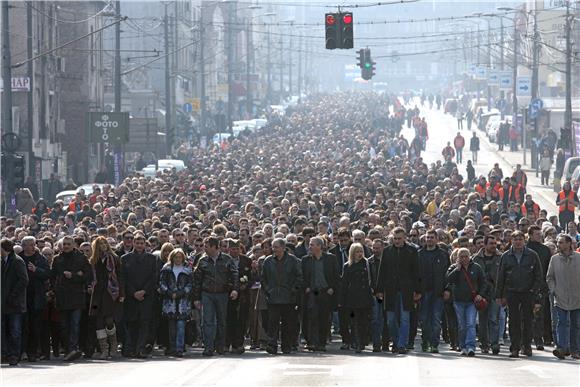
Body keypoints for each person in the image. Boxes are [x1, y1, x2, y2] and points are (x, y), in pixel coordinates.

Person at [496, 231, 543, 357]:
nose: (518, 242)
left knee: (528, 320)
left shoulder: (532, 255)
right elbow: (501, 277)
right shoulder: (506, 256)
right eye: (515, 239)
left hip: (528, 292)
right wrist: (499, 295)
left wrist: (534, 291)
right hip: (512, 292)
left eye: (520, 239)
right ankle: (515, 347)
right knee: (513, 321)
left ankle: (526, 346)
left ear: (524, 240)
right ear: (511, 241)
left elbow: (538, 276)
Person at [376, 227, 421, 354]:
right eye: (394, 239)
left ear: (404, 238)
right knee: (391, 320)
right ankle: (396, 342)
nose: (396, 241)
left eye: (399, 238)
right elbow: (382, 271)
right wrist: (379, 289)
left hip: (407, 290)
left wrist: (417, 290)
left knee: (405, 318)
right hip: (390, 290)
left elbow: (416, 271)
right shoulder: (387, 251)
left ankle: (402, 344)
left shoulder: (412, 251)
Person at [193, 236, 239, 356]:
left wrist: (235, 289)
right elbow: (197, 280)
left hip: (222, 294)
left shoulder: (227, 259)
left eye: (207, 246)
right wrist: (196, 298)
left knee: (222, 320)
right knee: (207, 321)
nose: (205, 249)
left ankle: (220, 346)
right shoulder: (202, 260)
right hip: (207, 293)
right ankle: (208, 347)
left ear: (214, 247)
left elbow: (234, 275)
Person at [52, 235, 92, 362]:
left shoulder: (81, 258)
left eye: (69, 244)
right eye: (64, 244)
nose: (66, 246)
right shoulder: (57, 259)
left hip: (77, 297)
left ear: (74, 245)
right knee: (64, 326)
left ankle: (73, 348)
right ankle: (68, 349)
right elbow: (53, 276)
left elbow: (88, 276)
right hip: (62, 297)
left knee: (75, 324)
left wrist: (74, 276)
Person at [121, 233, 158, 359]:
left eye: (141, 243)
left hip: (146, 296)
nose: (139, 245)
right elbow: (124, 279)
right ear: (133, 244)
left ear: (145, 244)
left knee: (144, 323)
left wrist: (144, 291)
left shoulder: (152, 259)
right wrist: (133, 293)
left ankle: (141, 349)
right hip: (131, 297)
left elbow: (154, 277)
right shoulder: (125, 258)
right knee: (132, 323)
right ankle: (131, 348)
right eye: (137, 243)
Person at [446, 247, 487, 357]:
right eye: (461, 257)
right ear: (457, 258)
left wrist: (480, 294)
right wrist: (457, 269)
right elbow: (448, 279)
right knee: (462, 325)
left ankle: (470, 346)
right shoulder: (453, 268)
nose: (464, 259)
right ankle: (463, 346)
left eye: (466, 256)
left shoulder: (476, 267)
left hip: (471, 301)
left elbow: (483, 282)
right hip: (458, 301)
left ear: (470, 257)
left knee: (470, 324)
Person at [88, 236, 123, 360]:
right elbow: (90, 277)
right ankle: (104, 349)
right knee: (98, 321)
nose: (103, 245)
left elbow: (119, 277)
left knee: (109, 320)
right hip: (97, 296)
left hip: (110, 294)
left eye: (104, 243)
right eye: (100, 244)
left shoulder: (114, 258)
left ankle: (113, 346)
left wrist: (121, 294)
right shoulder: (93, 260)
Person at [302, 236, 339, 352]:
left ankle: (322, 342)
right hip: (312, 292)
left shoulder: (331, 259)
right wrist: (306, 287)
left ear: (319, 246)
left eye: (312, 244)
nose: (310, 246)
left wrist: (332, 288)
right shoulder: (306, 259)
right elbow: (302, 276)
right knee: (312, 317)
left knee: (324, 318)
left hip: (325, 292)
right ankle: (312, 342)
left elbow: (336, 275)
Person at [547, 234, 580, 360]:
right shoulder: (554, 259)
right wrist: (554, 290)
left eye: (561, 242)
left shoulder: (578, 258)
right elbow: (549, 277)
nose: (559, 245)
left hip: (577, 296)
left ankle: (575, 349)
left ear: (568, 244)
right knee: (561, 322)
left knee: (576, 324)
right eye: (558, 242)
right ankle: (562, 348)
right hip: (560, 297)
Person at [418, 230, 450, 353]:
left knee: (436, 319)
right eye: (428, 237)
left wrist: (447, 289)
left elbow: (447, 274)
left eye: (432, 237)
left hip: (438, 291)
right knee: (424, 319)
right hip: (423, 291)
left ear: (437, 239)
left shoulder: (443, 254)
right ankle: (425, 341)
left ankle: (434, 343)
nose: (430, 239)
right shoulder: (419, 254)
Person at [338, 243, 374, 353]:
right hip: (352, 298)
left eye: (361, 251)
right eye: (357, 252)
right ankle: (357, 342)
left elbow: (371, 279)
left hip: (365, 297)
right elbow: (344, 284)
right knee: (354, 321)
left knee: (364, 321)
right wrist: (341, 300)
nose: (359, 254)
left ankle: (363, 341)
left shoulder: (367, 263)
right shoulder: (347, 266)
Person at [19, 236, 50, 362]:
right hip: (22, 297)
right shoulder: (18, 258)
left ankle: (32, 352)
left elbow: (47, 274)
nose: (33, 246)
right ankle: (22, 351)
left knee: (35, 326)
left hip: (36, 298)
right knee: (22, 326)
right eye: (30, 244)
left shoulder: (40, 258)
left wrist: (36, 270)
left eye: (33, 244)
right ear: (24, 246)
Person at [159, 249, 193, 357]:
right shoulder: (166, 269)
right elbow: (162, 282)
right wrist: (168, 292)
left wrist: (181, 293)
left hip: (183, 302)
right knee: (172, 327)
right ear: (172, 258)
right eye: (176, 257)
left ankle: (179, 348)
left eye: (180, 257)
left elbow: (190, 284)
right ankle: (172, 347)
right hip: (170, 302)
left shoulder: (187, 269)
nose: (178, 259)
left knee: (181, 325)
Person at [472, 235, 502, 354]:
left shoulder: (501, 257)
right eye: (491, 243)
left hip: (495, 293)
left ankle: (494, 343)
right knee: (483, 320)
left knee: (494, 319)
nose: (494, 246)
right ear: (484, 245)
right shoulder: (476, 259)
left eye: (495, 243)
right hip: (481, 294)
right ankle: (484, 343)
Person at [1, 239, 29, 366]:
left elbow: (23, 280)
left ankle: (14, 355)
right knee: (4, 330)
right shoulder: (3, 261)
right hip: (4, 302)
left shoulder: (17, 261)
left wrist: (12, 296)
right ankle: (5, 354)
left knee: (15, 330)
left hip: (14, 303)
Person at [225, 239, 253, 354]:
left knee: (242, 319)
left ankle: (239, 343)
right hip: (228, 294)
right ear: (229, 249)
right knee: (228, 319)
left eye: (237, 249)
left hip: (243, 295)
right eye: (233, 249)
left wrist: (244, 285)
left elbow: (251, 277)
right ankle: (227, 343)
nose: (235, 251)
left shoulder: (246, 260)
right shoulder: (225, 260)